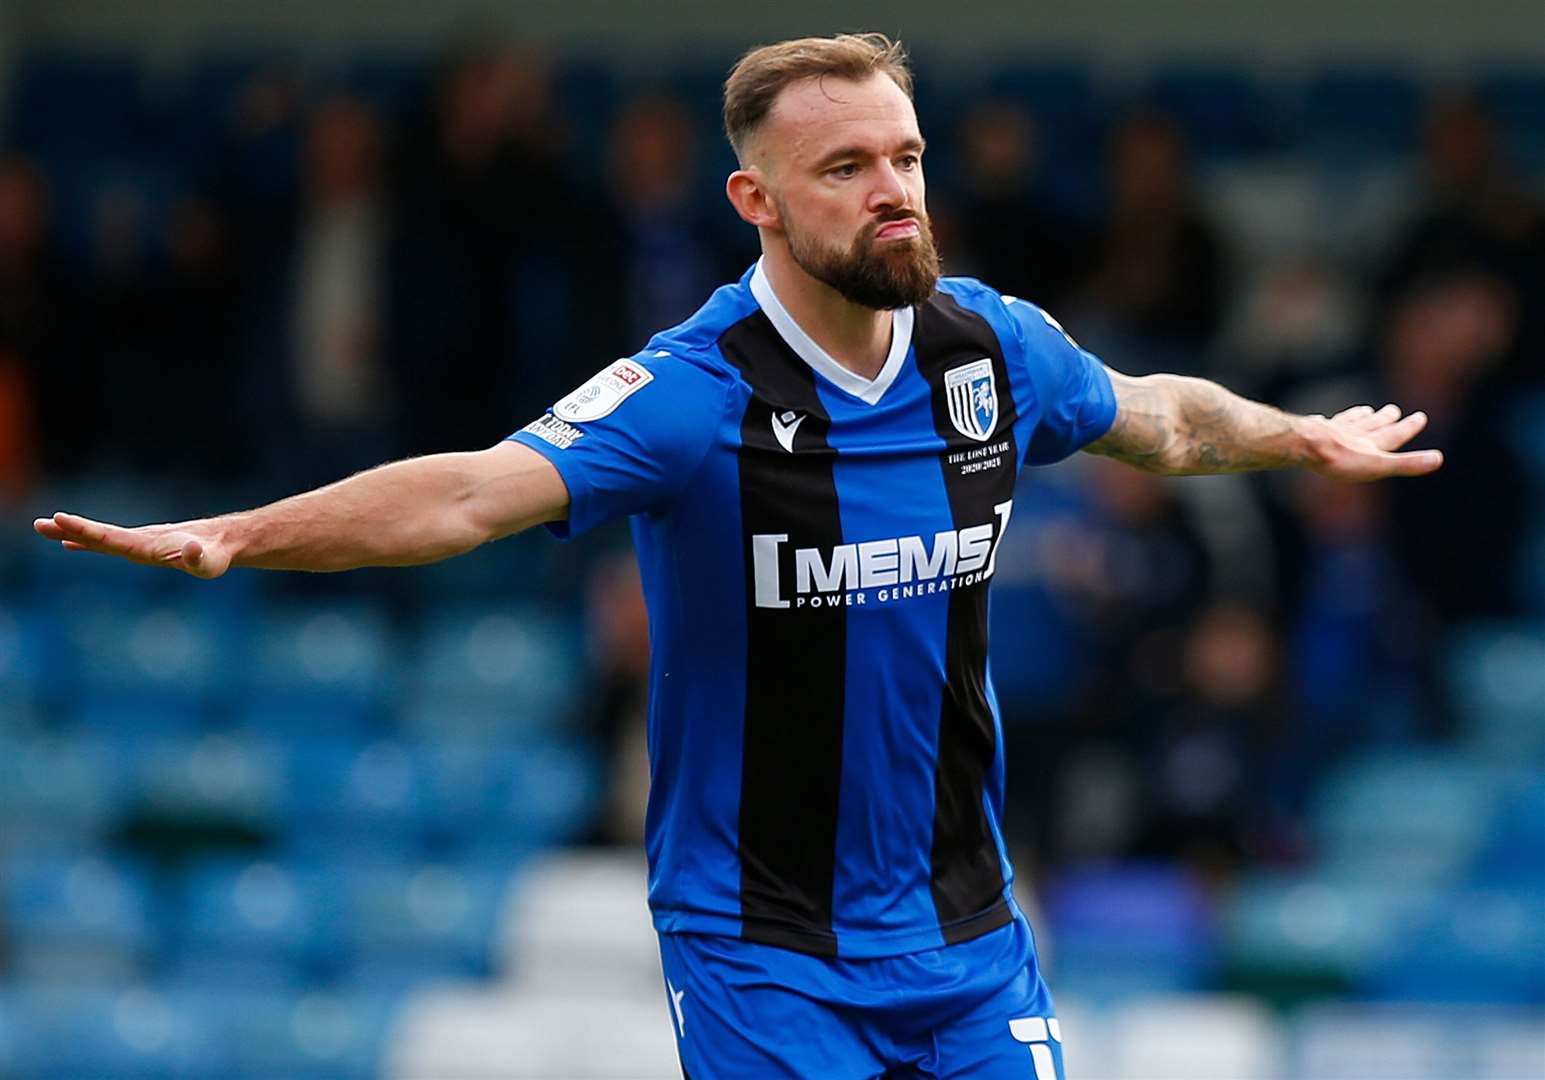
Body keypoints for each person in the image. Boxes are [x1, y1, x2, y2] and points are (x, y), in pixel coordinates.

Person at [34, 33, 1442, 1080]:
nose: (891, 192)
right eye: (844, 169)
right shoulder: (690, 396)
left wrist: (1300, 437)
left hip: (965, 932)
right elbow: (468, 495)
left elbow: (1161, 421)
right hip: (762, 950)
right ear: (754, 200)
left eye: (905, 158)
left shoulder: (990, 348)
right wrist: (242, 533)